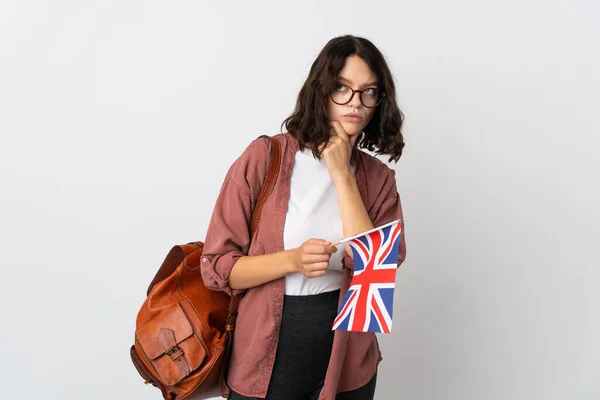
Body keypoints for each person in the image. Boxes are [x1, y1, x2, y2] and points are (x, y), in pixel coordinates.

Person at [200, 34, 407, 400]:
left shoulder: (377, 180)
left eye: (368, 92)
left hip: (348, 357)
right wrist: (293, 260)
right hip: (266, 352)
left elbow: (376, 271)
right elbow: (217, 267)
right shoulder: (265, 158)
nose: (355, 103)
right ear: (321, 90)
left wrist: (342, 173)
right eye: (342, 88)